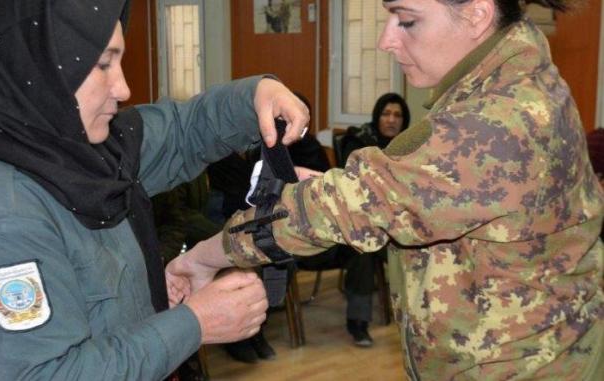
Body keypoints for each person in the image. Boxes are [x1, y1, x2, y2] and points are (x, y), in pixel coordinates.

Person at [167, 0, 604, 380]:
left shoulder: (497, 120)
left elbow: (333, 211)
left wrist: (203, 257)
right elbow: (432, 197)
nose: (385, 41)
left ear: (477, 13)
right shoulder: (511, 77)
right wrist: (356, 193)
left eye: (407, 20)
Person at [0, 1, 310, 380]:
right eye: (103, 64)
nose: (123, 88)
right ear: (38, 70)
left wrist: (256, 96)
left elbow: (182, 131)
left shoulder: (76, 150)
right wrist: (194, 324)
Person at [336, 92, 411, 346]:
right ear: (377, 117)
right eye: (386, 114)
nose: (391, 120)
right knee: (363, 247)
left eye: (398, 115)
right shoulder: (360, 143)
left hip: (398, 226)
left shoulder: (410, 147)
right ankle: (357, 322)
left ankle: (420, 320)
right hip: (360, 223)